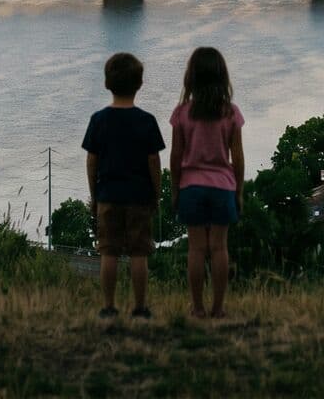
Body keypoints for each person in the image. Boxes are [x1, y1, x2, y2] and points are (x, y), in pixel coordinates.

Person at [81, 51, 165, 319]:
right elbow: (154, 161)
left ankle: (108, 307)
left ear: (107, 83)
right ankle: (140, 308)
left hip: (108, 195)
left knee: (108, 252)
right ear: (140, 83)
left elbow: (91, 161)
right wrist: (156, 193)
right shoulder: (147, 121)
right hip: (139, 197)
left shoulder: (98, 120)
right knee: (139, 253)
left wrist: (95, 194)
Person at [169, 46, 245, 319]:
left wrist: (175, 189)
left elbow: (175, 156)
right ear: (222, 77)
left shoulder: (182, 113)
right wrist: (239, 191)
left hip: (191, 187)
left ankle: (198, 307)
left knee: (197, 248)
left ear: (191, 78)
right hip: (223, 187)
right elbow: (238, 157)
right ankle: (218, 308)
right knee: (219, 248)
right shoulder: (231, 113)